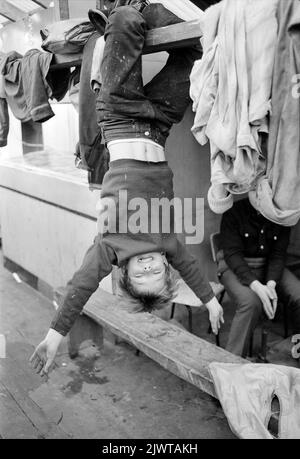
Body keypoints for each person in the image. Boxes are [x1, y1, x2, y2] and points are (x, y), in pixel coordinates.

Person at [30, 1, 224, 376]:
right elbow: (193, 270)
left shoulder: (110, 248)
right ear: (166, 269)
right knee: (199, 49)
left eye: (142, 275)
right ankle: (152, 10)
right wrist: (210, 302)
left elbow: (80, 288)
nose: (150, 267)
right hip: (159, 124)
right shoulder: (168, 245)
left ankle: (133, 8)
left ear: (125, 273)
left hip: (118, 114)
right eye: (157, 273)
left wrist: (55, 334)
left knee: (125, 20)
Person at [217, 196, 300, 357]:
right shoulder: (233, 212)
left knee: (298, 294)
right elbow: (232, 255)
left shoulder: (282, 215)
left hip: (269, 267)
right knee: (251, 302)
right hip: (235, 267)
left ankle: (296, 350)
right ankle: (230, 363)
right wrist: (256, 286)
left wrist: (270, 285)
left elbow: (278, 254)